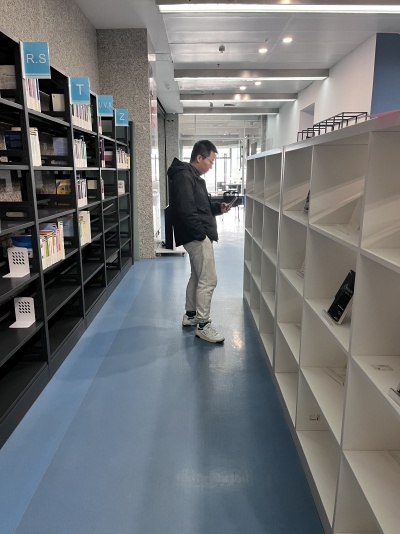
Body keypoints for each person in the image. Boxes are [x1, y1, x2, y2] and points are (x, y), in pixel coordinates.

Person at [167, 140, 231, 343]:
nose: (211, 166)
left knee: (197, 276)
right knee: (208, 279)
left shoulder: (191, 176)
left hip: (195, 234)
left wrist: (218, 208)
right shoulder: (184, 176)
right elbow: (186, 210)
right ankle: (203, 325)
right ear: (199, 157)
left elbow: (200, 207)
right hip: (196, 236)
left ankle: (191, 315)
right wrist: (201, 235)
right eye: (210, 161)